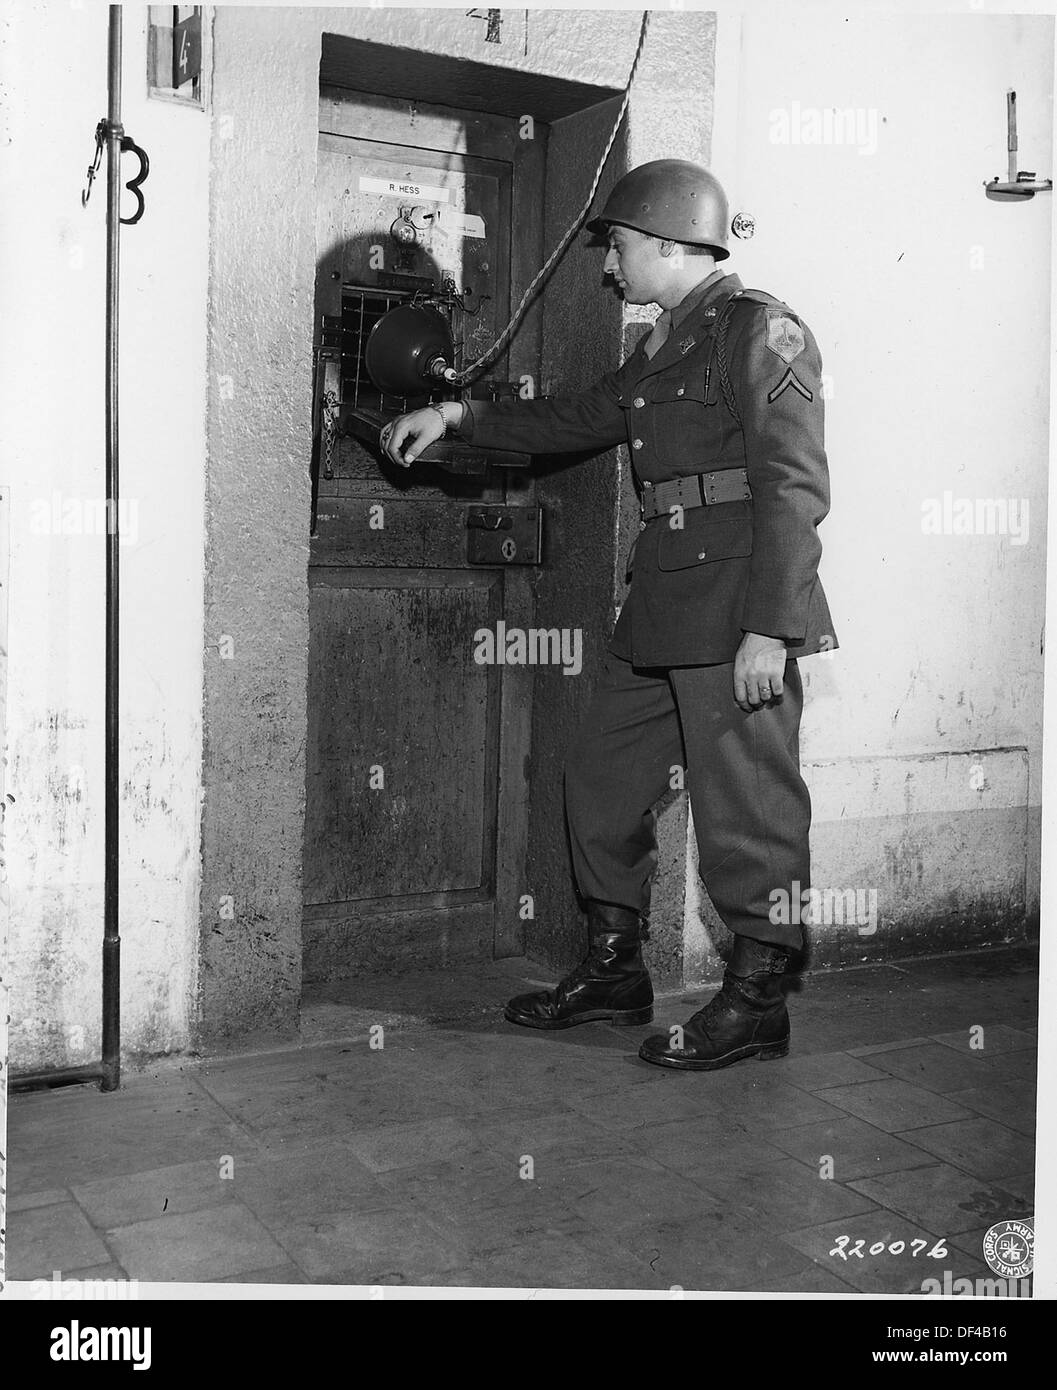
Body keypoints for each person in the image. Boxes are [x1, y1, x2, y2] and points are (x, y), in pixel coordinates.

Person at [380, 159, 836, 1072]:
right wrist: (457, 414)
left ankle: (756, 1000)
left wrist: (770, 628)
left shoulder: (761, 332)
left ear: (671, 245)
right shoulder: (668, 340)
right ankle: (616, 968)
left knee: (745, 809)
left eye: (621, 247)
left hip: (738, 604)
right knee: (596, 780)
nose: (609, 265)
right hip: (665, 601)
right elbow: (581, 416)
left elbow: (793, 485)